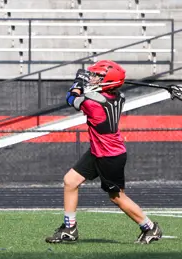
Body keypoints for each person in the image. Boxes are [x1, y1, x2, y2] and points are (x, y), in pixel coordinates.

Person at [45, 60, 162, 244]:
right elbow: (97, 93)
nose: (92, 78)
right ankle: (69, 228)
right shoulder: (118, 96)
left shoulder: (93, 103)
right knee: (70, 181)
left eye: (98, 77)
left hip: (109, 156)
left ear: (109, 82)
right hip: (98, 150)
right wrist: (90, 83)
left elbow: (71, 99)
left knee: (117, 197)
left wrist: (77, 83)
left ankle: (149, 228)